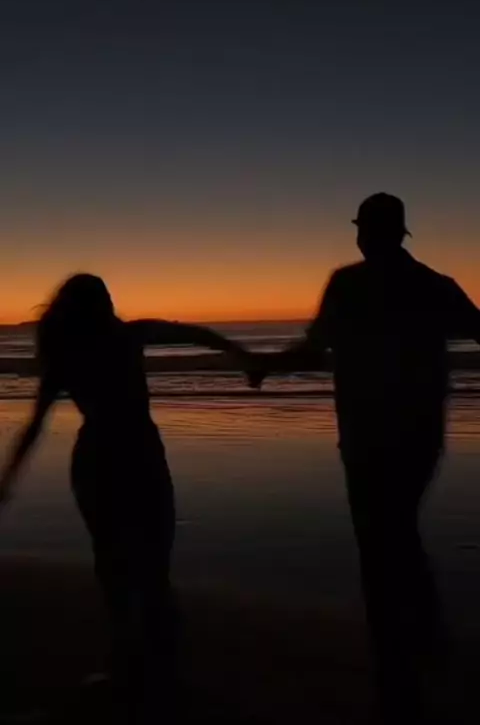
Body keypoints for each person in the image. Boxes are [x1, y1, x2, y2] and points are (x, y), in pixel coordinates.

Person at [257, 193, 480, 720]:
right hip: (419, 434)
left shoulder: (348, 284)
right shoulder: (435, 285)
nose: (360, 239)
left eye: (362, 230)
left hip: (365, 431)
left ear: (367, 234)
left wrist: (264, 365)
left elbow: (313, 349)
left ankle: (397, 656)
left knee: (380, 537)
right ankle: (422, 636)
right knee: (396, 528)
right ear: (401, 234)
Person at [0, 273, 254, 724]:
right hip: (138, 455)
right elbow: (194, 333)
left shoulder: (67, 354)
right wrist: (244, 356)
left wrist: (9, 477)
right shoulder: (129, 335)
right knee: (153, 567)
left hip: (96, 459)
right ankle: (157, 673)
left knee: (113, 567)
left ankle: (128, 669)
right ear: (103, 304)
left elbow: (36, 424)